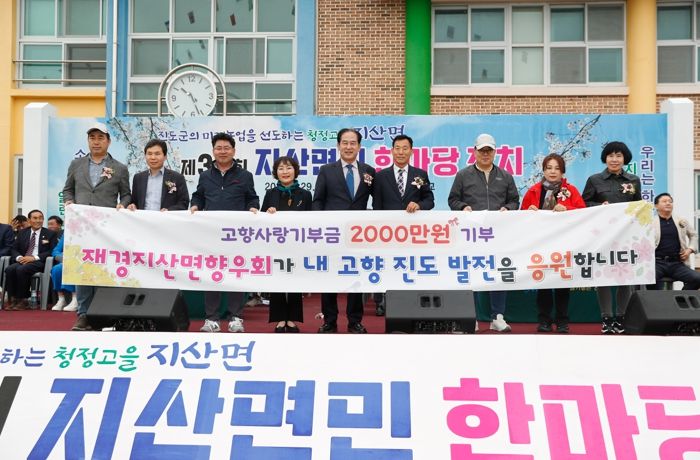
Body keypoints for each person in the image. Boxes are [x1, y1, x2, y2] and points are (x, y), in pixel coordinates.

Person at [448, 133, 519, 332]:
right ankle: (470, 317)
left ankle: (497, 317)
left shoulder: (505, 176)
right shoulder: (463, 175)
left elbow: (514, 200)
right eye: (482, 151)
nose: (485, 154)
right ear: (474, 152)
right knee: (470, 273)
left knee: (497, 272)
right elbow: (453, 199)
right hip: (471, 234)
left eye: (489, 150)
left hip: (498, 234)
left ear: (495, 152)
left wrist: (508, 208)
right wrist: (463, 207)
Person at [63, 122, 131, 331]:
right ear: (88, 141)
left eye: (101, 138)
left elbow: (126, 194)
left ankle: (102, 315)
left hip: (106, 228)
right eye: (92, 138)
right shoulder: (76, 164)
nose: (96, 142)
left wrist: (122, 205)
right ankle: (83, 315)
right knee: (82, 270)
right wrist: (69, 201)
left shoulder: (120, 168)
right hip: (81, 228)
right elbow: (68, 189)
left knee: (104, 269)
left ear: (108, 141)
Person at [191, 132, 259, 333]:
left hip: (236, 235)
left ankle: (235, 318)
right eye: (218, 148)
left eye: (226, 148)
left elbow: (252, 198)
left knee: (235, 275)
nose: (222, 151)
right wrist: (195, 205)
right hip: (211, 234)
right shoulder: (205, 176)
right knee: (212, 275)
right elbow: (199, 196)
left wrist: (253, 207)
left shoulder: (245, 176)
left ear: (233, 151)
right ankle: (211, 319)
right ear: (213, 151)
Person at [313, 128, 375, 333]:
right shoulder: (326, 170)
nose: (349, 147)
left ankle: (354, 321)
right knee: (329, 277)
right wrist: (321, 226)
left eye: (353, 143)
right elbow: (318, 200)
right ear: (338, 145)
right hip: (332, 234)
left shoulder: (368, 171)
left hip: (358, 235)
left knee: (356, 279)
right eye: (345, 143)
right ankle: (329, 321)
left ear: (359, 146)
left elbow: (378, 201)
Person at [521, 154, 586, 333]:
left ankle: (562, 321)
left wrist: (567, 208)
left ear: (563, 172)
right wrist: (528, 211)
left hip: (564, 243)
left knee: (562, 283)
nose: (552, 171)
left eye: (557, 168)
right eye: (549, 168)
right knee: (543, 283)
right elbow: (521, 215)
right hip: (540, 244)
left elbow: (583, 213)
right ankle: (544, 320)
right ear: (543, 170)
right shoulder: (533, 190)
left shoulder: (571, 190)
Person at [582, 141, 642, 334]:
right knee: (604, 277)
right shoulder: (594, 180)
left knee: (625, 278)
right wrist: (599, 207)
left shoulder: (633, 180)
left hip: (626, 236)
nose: (614, 159)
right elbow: (584, 204)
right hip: (602, 236)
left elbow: (638, 206)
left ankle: (622, 318)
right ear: (605, 158)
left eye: (618, 156)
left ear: (625, 159)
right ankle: (607, 318)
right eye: (610, 155)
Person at [372, 134, 435, 315]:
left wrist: (419, 205)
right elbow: (377, 205)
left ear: (411, 151)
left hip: (412, 233)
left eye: (405, 148)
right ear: (391, 151)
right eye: (397, 148)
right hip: (387, 232)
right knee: (386, 266)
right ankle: (382, 302)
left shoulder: (420, 174)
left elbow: (429, 200)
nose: (401, 152)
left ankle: (410, 301)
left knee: (409, 266)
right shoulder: (381, 176)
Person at [261, 156, 312, 332]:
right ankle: (280, 319)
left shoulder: (305, 195)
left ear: (295, 171)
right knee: (277, 281)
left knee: (294, 282)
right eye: (281, 169)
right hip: (276, 246)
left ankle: (292, 319)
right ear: (276, 173)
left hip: (297, 245)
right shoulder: (270, 194)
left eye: (289, 168)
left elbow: (312, 220)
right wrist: (268, 212)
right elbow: (261, 219)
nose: (285, 172)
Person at [3, 210, 57, 310]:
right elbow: (14, 249)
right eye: (35, 218)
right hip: (23, 260)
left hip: (39, 262)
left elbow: (52, 251)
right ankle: (13, 299)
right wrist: (19, 257)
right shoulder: (23, 232)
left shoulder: (50, 234)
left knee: (21, 270)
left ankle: (23, 299)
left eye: (40, 218)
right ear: (29, 220)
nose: (38, 220)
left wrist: (34, 258)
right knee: (10, 269)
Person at [651, 193, 700, 290]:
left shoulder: (681, 221)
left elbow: (694, 235)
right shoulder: (650, 222)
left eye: (670, 201)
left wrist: (689, 249)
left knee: (697, 278)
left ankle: (681, 298)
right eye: (664, 201)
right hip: (657, 263)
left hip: (676, 263)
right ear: (656, 206)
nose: (668, 203)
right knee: (650, 281)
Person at [124, 139, 189, 211]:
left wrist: (169, 210)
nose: (153, 157)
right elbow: (134, 201)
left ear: (165, 156)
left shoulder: (177, 177)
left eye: (157, 154)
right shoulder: (138, 178)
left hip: (165, 217)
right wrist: (132, 205)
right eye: (149, 154)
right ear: (145, 156)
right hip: (143, 217)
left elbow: (184, 203)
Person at [50, 234, 77, 311]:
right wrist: (64, 257)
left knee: (70, 267)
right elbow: (56, 251)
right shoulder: (67, 233)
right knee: (56, 269)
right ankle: (61, 299)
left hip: (83, 260)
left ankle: (75, 299)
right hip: (67, 260)